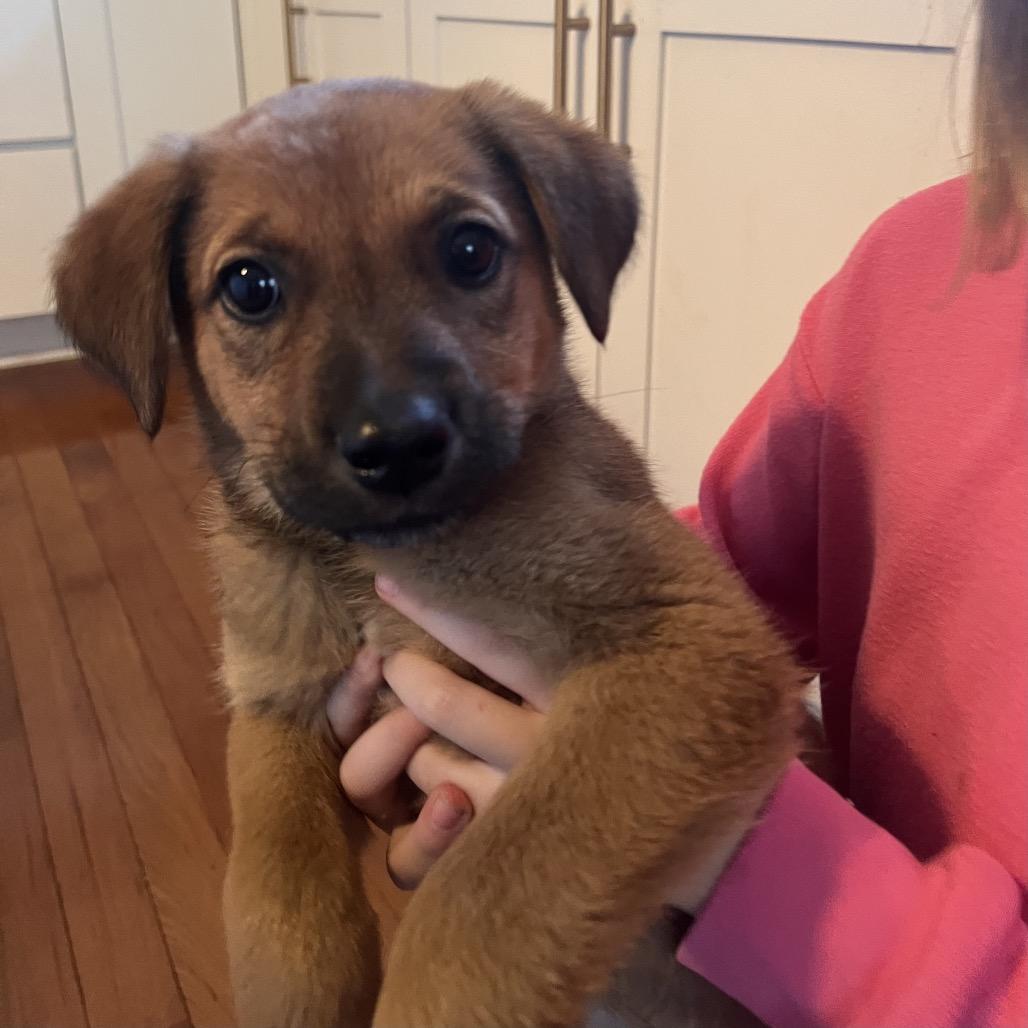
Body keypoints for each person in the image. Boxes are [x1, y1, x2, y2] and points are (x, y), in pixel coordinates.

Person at [327, 1, 1027, 1022]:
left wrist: (747, 862)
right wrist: (473, 693)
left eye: (471, 256)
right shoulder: (921, 260)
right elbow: (709, 575)